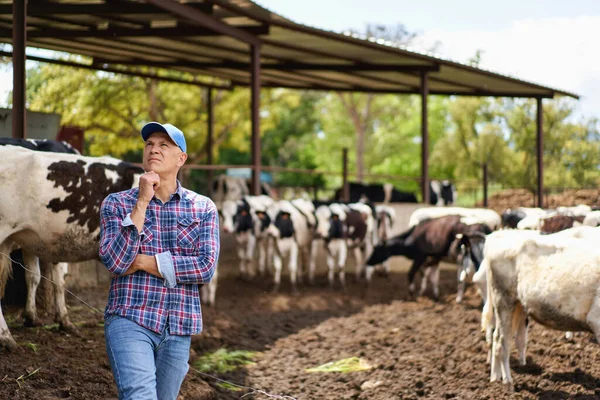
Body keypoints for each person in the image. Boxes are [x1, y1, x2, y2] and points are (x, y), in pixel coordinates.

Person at [99, 122, 219, 400]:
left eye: (164, 144)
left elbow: (205, 266)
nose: (154, 149)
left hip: (179, 326)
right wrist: (142, 202)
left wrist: (142, 262)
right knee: (139, 396)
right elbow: (116, 262)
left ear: (181, 159)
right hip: (130, 317)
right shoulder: (116, 204)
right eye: (149, 144)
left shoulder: (203, 207)